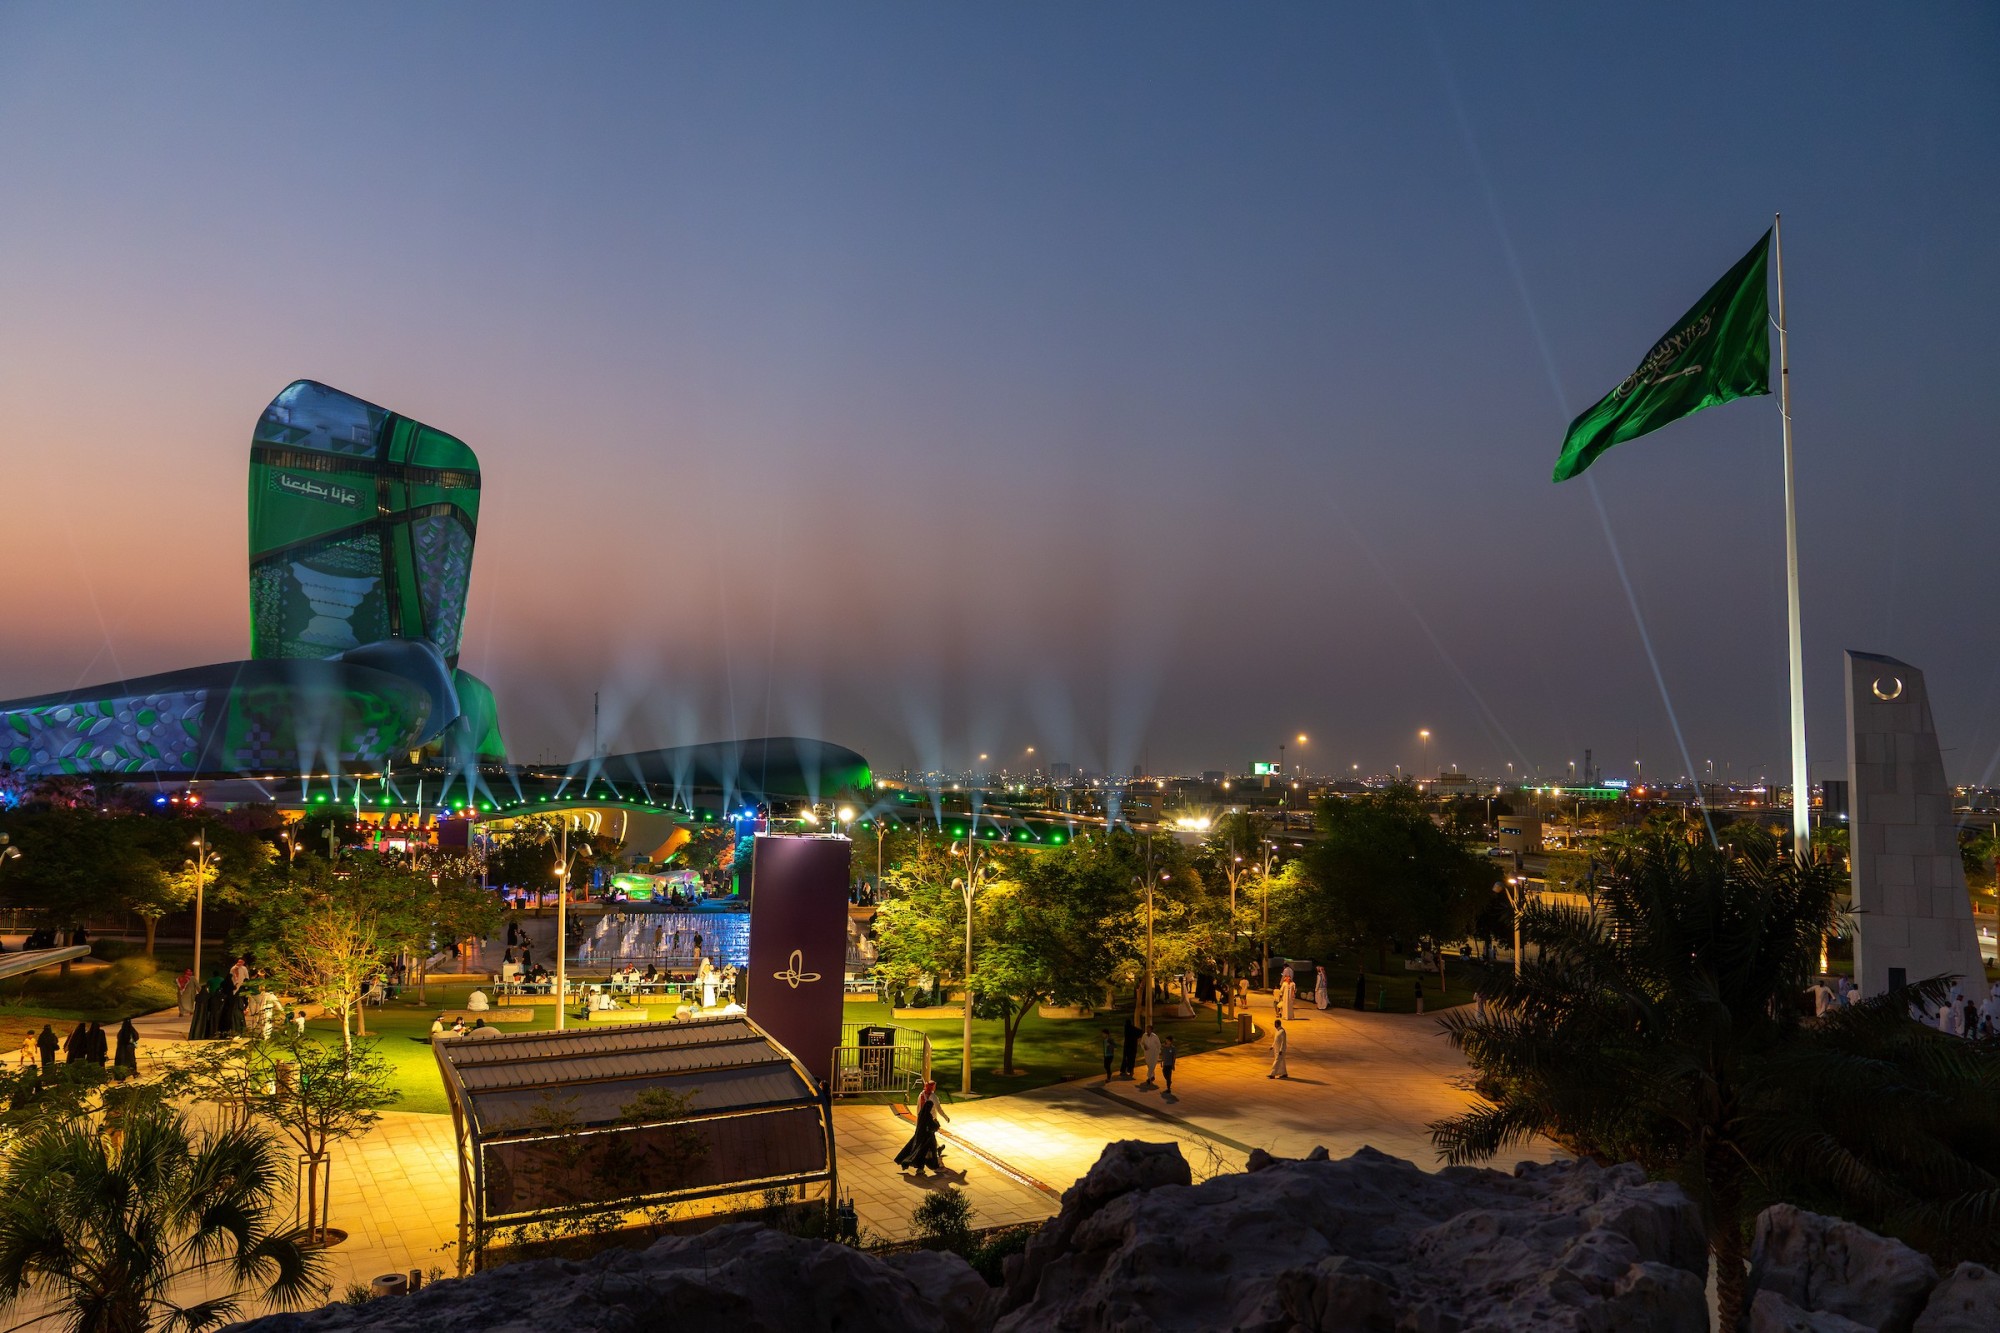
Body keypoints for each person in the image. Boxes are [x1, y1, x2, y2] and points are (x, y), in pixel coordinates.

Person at [894, 1081, 950, 1176]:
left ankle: (923, 1166)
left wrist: (919, 1121)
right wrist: (944, 1118)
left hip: (922, 1124)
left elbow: (918, 1109)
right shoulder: (933, 1098)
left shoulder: (921, 1095)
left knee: (921, 1149)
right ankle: (937, 1165)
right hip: (928, 1130)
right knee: (926, 1149)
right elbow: (938, 1110)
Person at [1140, 1025, 1161, 1089]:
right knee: (1149, 1065)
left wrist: (1158, 1052)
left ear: (1151, 1030)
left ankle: (1149, 1078)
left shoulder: (1155, 1036)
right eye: (1147, 1029)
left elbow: (1159, 1044)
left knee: (1152, 1065)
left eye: (1149, 1029)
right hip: (1147, 1053)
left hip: (1154, 1053)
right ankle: (1152, 1076)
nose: (1147, 1030)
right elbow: (1141, 1043)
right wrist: (1144, 1047)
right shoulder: (1144, 1035)